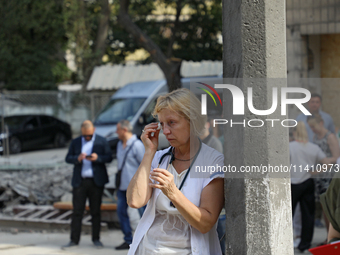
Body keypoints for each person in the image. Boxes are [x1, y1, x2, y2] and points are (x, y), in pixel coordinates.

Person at [126, 88, 224, 255]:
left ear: (192, 121)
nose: (165, 131)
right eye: (162, 124)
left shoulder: (213, 161)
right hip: (149, 250)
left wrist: (172, 192)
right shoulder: (159, 158)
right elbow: (135, 201)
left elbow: (205, 223)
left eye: (172, 122)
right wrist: (149, 152)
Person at [63, 120, 113, 249]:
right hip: (80, 181)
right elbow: (68, 158)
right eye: (85, 135)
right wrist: (77, 158)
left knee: (95, 211)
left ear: (94, 131)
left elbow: (109, 157)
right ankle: (74, 240)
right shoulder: (76, 142)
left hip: (96, 182)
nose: (87, 138)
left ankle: (96, 239)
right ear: (82, 132)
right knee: (77, 212)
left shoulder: (101, 141)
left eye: (89, 135)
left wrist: (98, 158)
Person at [289, 121, 333, 252]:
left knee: (287, 214)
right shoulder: (313, 147)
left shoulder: (290, 146)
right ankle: (305, 244)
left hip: (293, 182)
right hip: (308, 182)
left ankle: (285, 240)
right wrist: (314, 171)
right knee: (308, 214)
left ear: (294, 132)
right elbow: (327, 163)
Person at [307, 113, 340, 244]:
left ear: (321, 123)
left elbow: (336, 157)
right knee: (323, 206)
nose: (312, 129)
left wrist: (321, 165)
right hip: (318, 175)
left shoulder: (330, 137)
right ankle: (329, 237)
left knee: (329, 206)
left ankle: (331, 237)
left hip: (328, 175)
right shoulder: (315, 136)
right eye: (310, 127)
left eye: (313, 126)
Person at [115, 119, 145, 250]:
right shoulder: (119, 144)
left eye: (118, 130)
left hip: (136, 187)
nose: (116, 133)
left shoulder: (137, 145)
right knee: (121, 211)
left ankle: (145, 239)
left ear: (124, 130)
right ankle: (128, 239)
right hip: (122, 186)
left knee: (143, 214)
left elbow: (145, 165)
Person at [200, 120, 225, 254]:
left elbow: (215, 166)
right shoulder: (197, 142)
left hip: (212, 188)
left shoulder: (214, 142)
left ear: (208, 124)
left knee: (217, 229)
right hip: (201, 189)